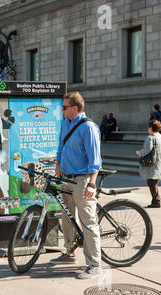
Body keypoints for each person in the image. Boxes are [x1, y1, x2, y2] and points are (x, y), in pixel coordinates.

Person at [51, 91, 103, 280]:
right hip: (66, 177)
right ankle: (70, 252)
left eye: (64, 107)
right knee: (67, 218)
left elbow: (95, 160)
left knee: (88, 222)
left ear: (75, 108)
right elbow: (60, 146)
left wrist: (91, 184)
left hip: (82, 180)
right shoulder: (65, 123)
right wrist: (58, 166)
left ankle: (95, 264)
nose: (61, 110)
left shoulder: (88, 127)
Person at [136, 120, 161, 208]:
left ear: (150, 128)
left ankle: (156, 201)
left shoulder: (150, 137)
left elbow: (147, 149)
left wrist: (140, 153)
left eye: (148, 127)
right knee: (153, 181)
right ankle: (155, 200)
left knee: (151, 181)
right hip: (160, 162)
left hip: (153, 163)